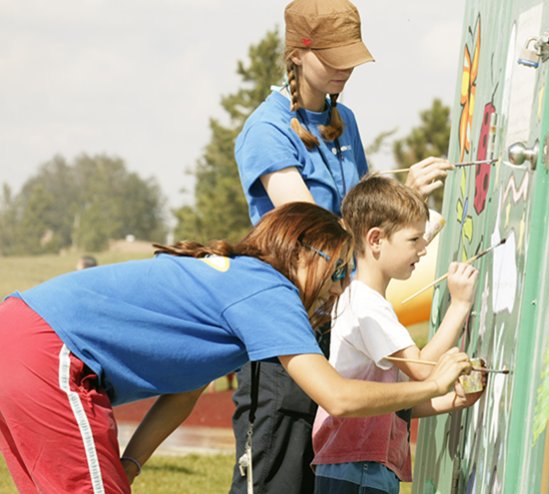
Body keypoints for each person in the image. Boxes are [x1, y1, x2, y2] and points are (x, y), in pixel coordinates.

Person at [0, 202, 473, 493]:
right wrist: (430, 383)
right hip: (46, 353)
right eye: (338, 272)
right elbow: (339, 398)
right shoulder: (269, 291)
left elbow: (185, 389)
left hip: (19, 338)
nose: (338, 287)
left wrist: (131, 464)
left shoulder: (239, 280)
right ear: (307, 252)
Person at [232, 0, 454, 491]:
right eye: (332, 57)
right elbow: (314, 236)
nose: (345, 69)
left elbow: (361, 215)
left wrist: (402, 202)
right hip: (288, 323)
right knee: (278, 471)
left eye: (351, 57)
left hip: (338, 322)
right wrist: (404, 204)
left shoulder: (344, 120)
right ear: (297, 54)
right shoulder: (266, 131)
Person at [311, 175, 483, 494]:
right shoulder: (366, 304)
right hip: (359, 465)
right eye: (415, 240)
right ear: (376, 239)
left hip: (361, 463)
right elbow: (421, 371)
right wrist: (459, 305)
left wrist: (452, 400)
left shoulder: (365, 300)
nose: (422, 249)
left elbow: (393, 403)